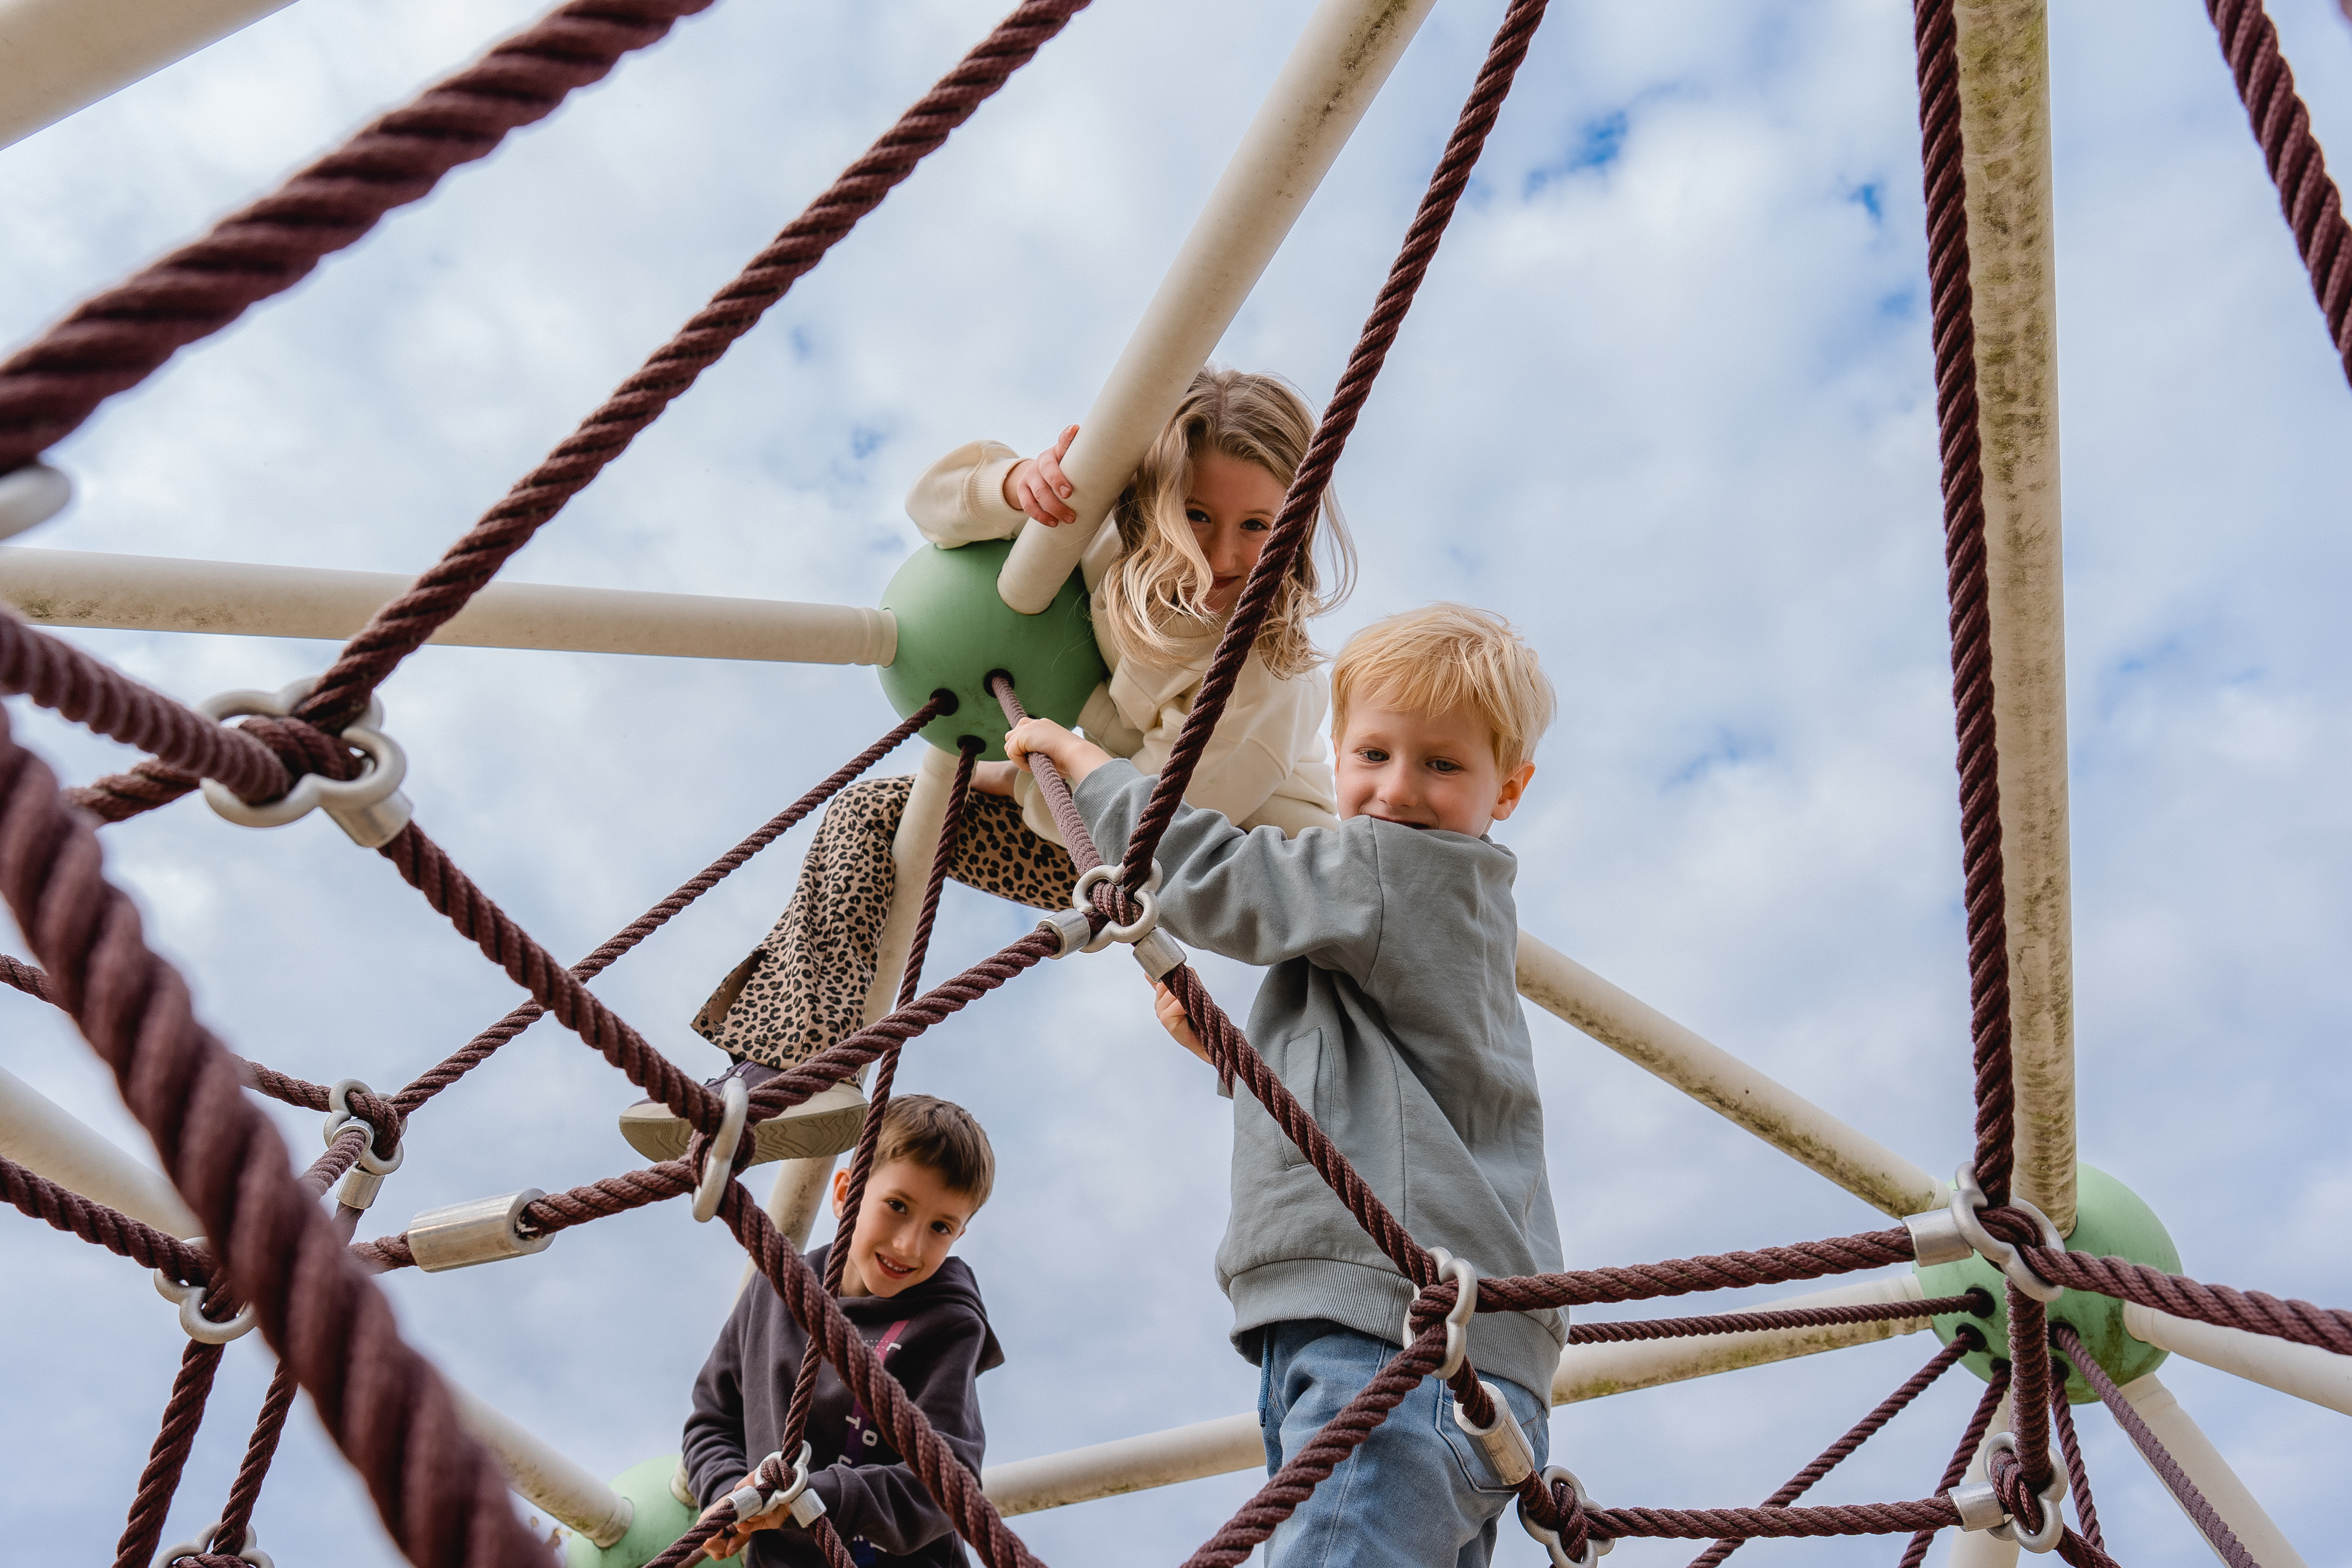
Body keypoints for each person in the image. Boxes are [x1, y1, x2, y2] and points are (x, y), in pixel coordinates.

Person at [620, 366, 1354, 1165]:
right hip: (1100, 798)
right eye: (1197, 515)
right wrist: (1014, 486)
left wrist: (1022, 777)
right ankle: (785, 1066)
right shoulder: (1115, 544)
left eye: (1258, 525)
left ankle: (1338, 1103)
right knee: (876, 818)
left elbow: (1150, 829)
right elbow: (933, 501)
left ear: (1299, 519)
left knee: (1336, 1035)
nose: (1220, 554)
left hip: (1230, 862)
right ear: (1152, 503)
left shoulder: (1266, 675)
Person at [1005, 603, 1564, 1568]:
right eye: (1374, 754)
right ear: (1335, 750)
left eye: (1442, 764)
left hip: (1397, 1341)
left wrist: (1090, 768)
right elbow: (1387, 1097)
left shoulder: (1397, 870)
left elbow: (1225, 877)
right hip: (1423, 1354)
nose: (1397, 791)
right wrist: (1230, 1059)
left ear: (1506, 787)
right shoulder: (1426, 913)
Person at [683, 1094, 1001, 1568]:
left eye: (940, 1227)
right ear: (843, 1193)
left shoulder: (947, 1325)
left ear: (958, 1237)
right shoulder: (776, 1290)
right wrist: (730, 1494)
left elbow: (945, 1487)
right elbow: (714, 1420)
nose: (908, 1244)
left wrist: (815, 1497)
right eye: (896, 1205)